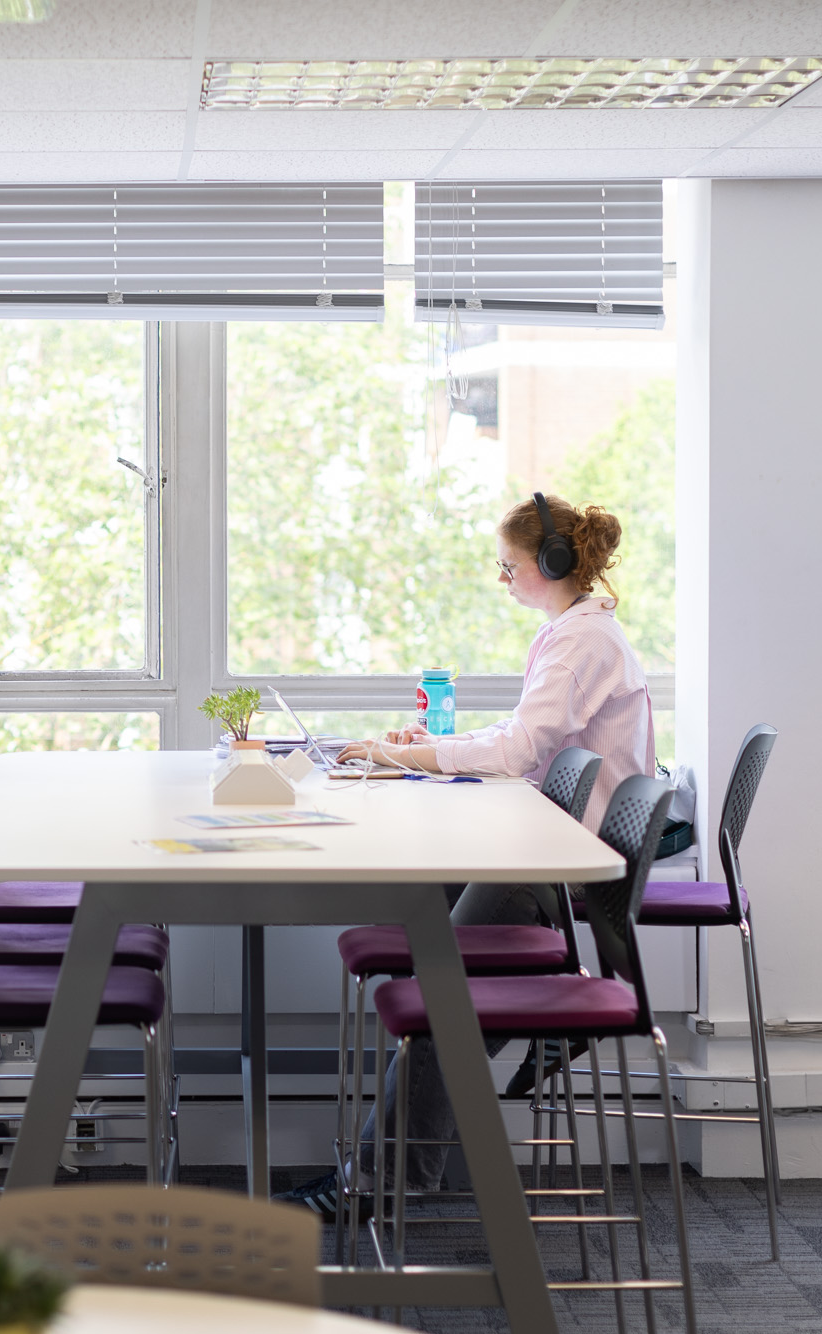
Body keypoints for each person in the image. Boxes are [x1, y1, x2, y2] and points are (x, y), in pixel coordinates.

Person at [279, 491, 655, 1219]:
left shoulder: (581, 643)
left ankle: (384, 1179)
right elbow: (525, 736)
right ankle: (413, 1147)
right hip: (551, 848)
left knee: (441, 994)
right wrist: (423, 752)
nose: (503, 578)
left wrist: (407, 752)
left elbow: (517, 750)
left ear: (549, 563)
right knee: (430, 943)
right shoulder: (575, 634)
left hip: (555, 867)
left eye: (508, 565)